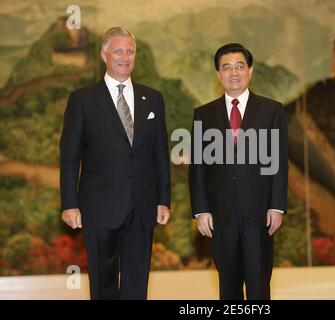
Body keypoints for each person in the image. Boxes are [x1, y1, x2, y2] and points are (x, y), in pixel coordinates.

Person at [59, 26, 170, 300]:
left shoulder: (152, 98)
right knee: (103, 284)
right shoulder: (83, 100)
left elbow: (160, 155)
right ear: (104, 55)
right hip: (98, 206)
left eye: (130, 51)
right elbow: (69, 156)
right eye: (118, 51)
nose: (125, 57)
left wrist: (163, 199)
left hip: (143, 207)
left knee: (136, 284)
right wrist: (69, 203)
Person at [189, 43, 288, 300]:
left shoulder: (271, 110)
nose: (234, 73)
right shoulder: (203, 114)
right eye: (226, 67)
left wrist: (277, 206)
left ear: (250, 70)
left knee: (258, 287)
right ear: (218, 74)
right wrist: (201, 210)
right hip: (220, 215)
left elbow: (278, 161)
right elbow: (198, 167)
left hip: (259, 213)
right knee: (228, 289)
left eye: (239, 66)